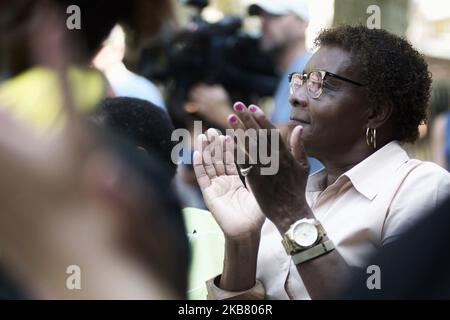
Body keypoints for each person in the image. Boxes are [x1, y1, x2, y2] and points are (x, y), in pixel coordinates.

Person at [193, 25, 450, 300]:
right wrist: (242, 240)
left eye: (320, 84)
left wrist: (291, 213)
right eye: (300, 81)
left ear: (375, 112)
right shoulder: (294, 191)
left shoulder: (423, 188)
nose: (295, 96)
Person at [189, 0, 322, 173]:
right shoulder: (289, 74)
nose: (264, 23)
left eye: (275, 16)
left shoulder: (308, 67)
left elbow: (283, 141)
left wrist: (222, 113)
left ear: (302, 24)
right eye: (261, 16)